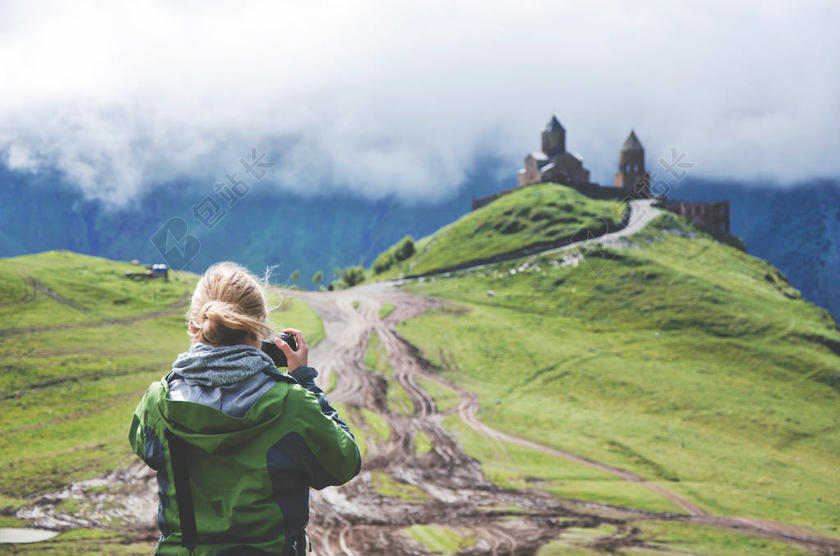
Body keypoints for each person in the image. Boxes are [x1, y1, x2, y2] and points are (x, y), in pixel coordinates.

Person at [129, 262, 360, 555]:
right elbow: (343, 463)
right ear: (259, 329)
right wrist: (304, 381)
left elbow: (145, 448)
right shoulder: (292, 403)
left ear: (194, 327)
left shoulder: (157, 402)